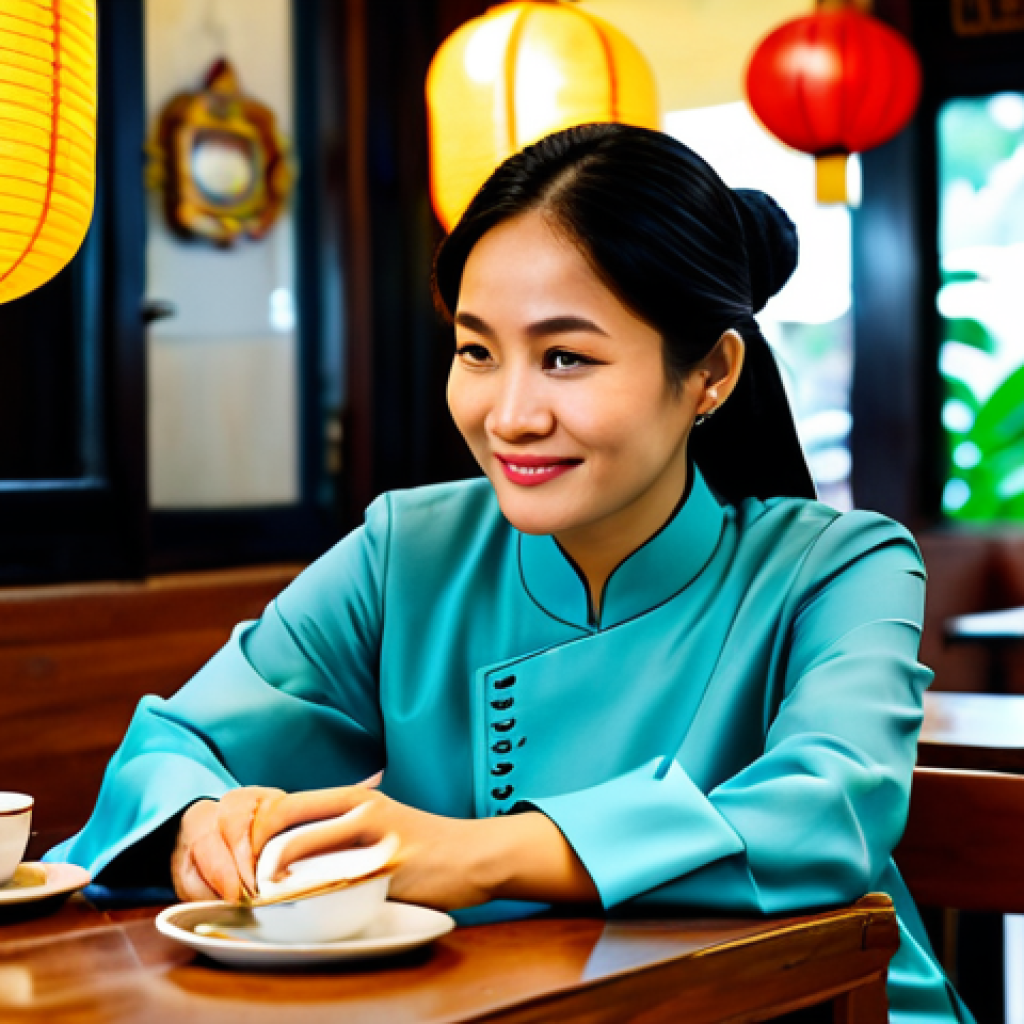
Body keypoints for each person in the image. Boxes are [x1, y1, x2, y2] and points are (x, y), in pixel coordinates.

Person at [48, 123, 970, 1023]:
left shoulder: (843, 564)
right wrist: (201, 825)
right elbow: (171, 750)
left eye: (566, 357)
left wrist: (483, 854)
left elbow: (829, 810)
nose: (510, 415)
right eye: (477, 351)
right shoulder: (407, 548)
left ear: (711, 375)